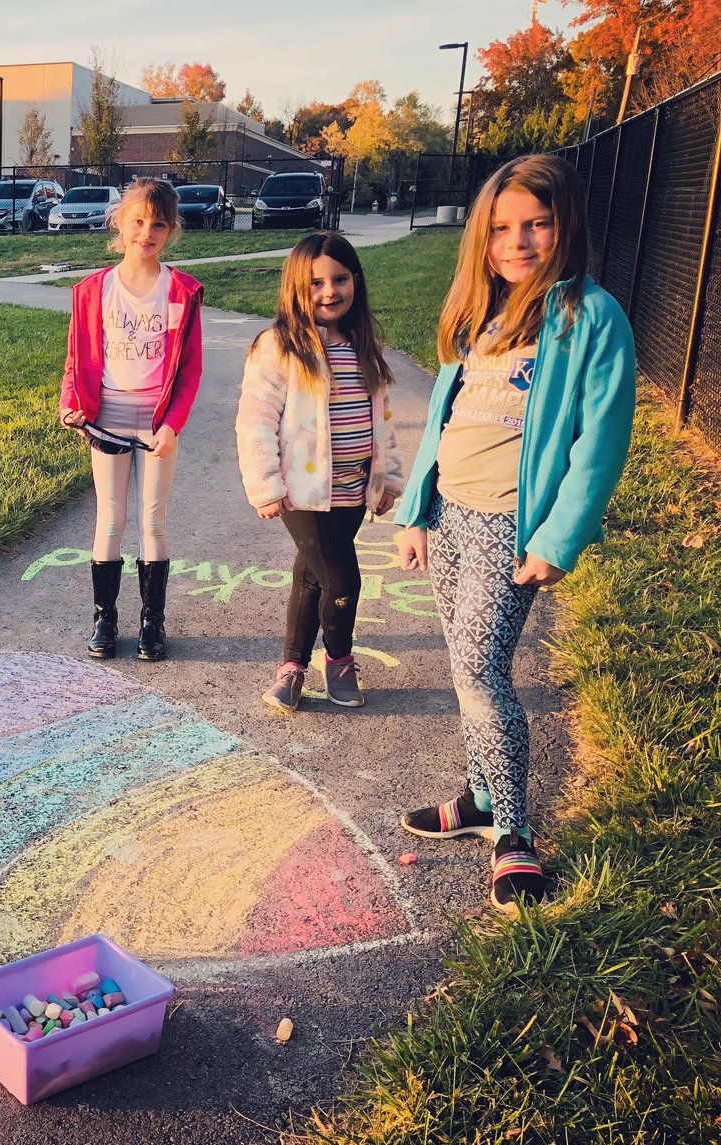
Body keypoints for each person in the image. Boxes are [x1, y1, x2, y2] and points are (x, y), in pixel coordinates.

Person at [395, 154, 636, 914]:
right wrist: (415, 509)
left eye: (537, 223)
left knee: (481, 674)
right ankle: (477, 798)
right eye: (502, 228)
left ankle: (515, 833)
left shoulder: (589, 317)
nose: (519, 241)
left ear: (567, 225)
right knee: (465, 670)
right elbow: (444, 418)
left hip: (509, 523)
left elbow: (600, 442)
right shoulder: (481, 312)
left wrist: (557, 538)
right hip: (453, 516)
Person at [236, 232, 403, 713]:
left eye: (340, 279)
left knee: (311, 576)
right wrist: (266, 485)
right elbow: (256, 420)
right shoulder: (280, 345)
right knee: (343, 581)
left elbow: (382, 419)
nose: (330, 292)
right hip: (301, 491)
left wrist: (387, 478)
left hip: (352, 489)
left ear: (356, 282)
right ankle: (339, 659)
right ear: (295, 288)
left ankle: (291, 668)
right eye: (316, 283)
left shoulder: (363, 344)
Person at [60, 178, 204, 662]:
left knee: (153, 520)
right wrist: (69, 403)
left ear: (171, 231)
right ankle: (105, 617)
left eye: (158, 224)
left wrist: (173, 424)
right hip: (107, 419)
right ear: (119, 222)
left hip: (157, 424)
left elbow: (190, 370)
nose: (147, 232)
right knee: (111, 517)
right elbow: (75, 361)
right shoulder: (92, 291)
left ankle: (152, 621)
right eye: (138, 221)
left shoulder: (181, 291)